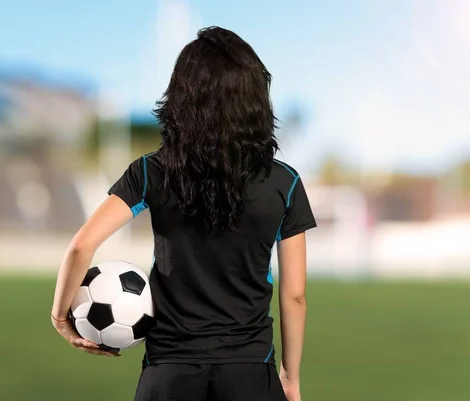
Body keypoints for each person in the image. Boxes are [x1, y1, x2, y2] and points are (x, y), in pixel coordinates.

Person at [51, 26, 316, 401]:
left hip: (169, 374)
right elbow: (295, 295)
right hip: (251, 374)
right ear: (256, 97)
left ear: (182, 95)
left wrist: (61, 317)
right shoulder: (284, 183)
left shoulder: (150, 171)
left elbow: (81, 246)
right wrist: (290, 378)